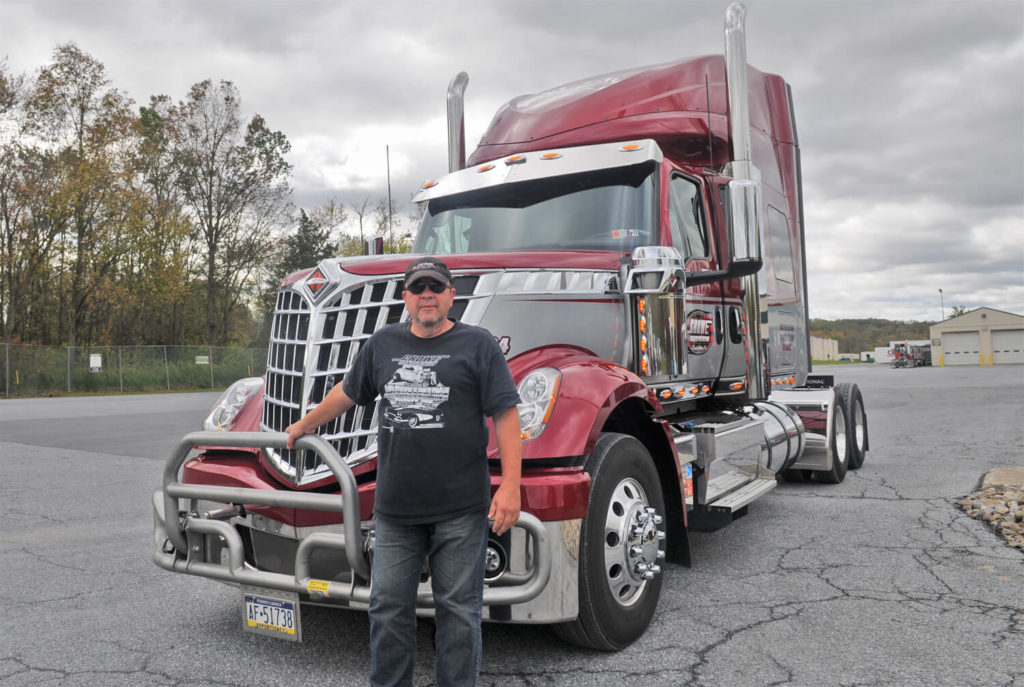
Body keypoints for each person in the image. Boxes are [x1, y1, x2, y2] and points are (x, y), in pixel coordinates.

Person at [285, 256, 522, 687]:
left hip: (462, 509)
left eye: (435, 286)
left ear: (451, 294)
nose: (426, 294)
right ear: (405, 297)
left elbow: (506, 414)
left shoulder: (478, 344)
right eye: (418, 288)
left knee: (460, 615)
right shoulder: (382, 344)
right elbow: (347, 392)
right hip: (395, 511)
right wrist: (305, 424)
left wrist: (510, 486)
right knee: (388, 610)